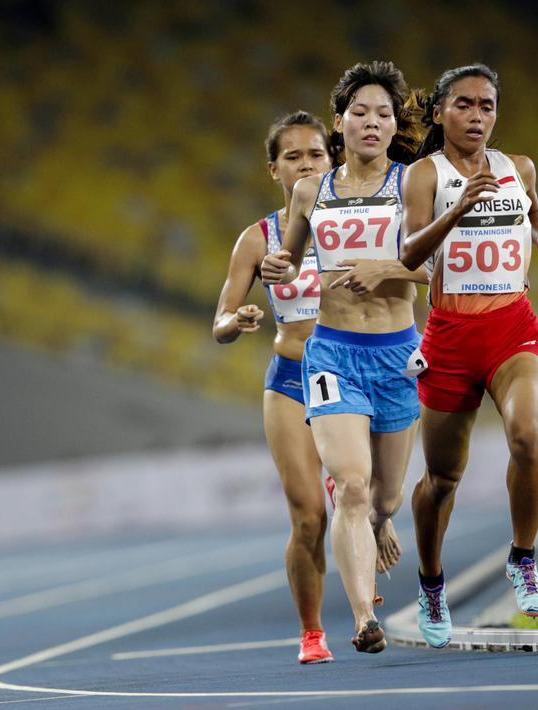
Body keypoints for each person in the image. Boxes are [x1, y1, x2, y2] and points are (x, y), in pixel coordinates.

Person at [398, 64, 538, 648]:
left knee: (526, 436)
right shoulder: (425, 174)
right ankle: (431, 584)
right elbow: (408, 255)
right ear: (441, 113)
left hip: (512, 329)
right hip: (449, 337)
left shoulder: (516, 167)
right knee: (443, 479)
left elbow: (533, 215)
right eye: (464, 105)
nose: (477, 117)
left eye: (487, 106)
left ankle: (523, 559)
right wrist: (459, 209)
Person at [261, 61, 428, 655]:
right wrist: (279, 264)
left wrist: (385, 268)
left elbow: (435, 270)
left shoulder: (413, 184)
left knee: (384, 498)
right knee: (351, 488)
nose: (372, 123)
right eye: (360, 113)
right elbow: (288, 258)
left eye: (384, 114)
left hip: (398, 353)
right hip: (332, 353)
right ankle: (363, 619)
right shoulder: (312, 190)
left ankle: (380, 522)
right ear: (341, 122)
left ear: (393, 125)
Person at [213, 111, 335, 664]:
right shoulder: (255, 239)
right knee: (309, 515)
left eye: (316, 154)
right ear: (274, 170)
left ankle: (364, 543)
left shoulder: (352, 223)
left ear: (332, 159)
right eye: (294, 156)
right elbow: (218, 321)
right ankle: (312, 632)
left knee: (371, 503)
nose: (307, 164)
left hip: (351, 373)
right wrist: (234, 323)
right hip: (289, 378)